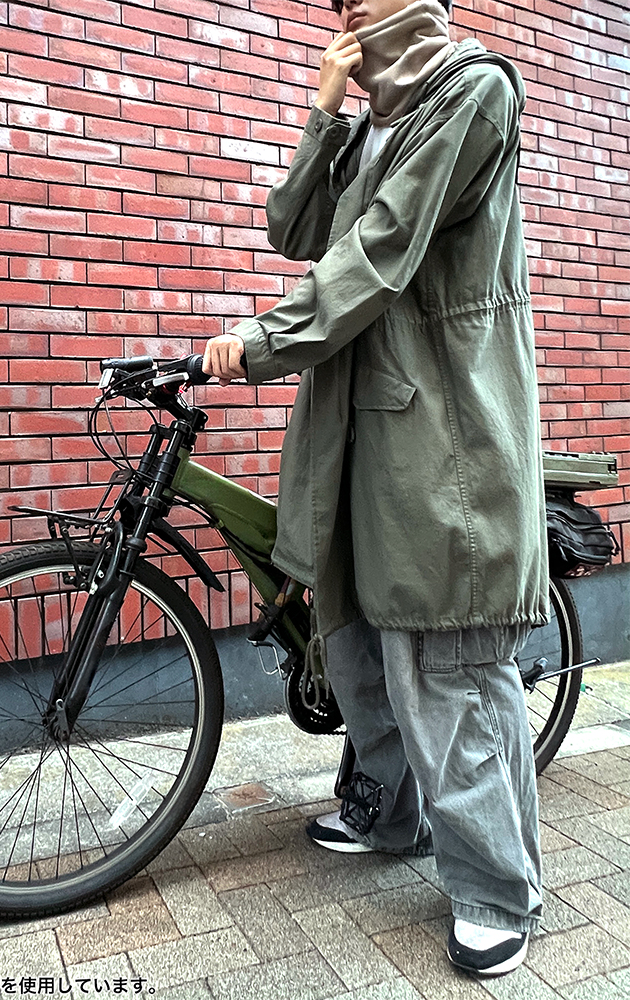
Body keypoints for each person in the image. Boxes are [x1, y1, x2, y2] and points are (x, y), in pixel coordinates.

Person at [202, 0, 548, 978]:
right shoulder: (368, 126)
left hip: (442, 433)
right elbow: (295, 229)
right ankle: (392, 816)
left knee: (446, 670)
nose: (344, 5)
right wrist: (324, 112)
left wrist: (261, 340)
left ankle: (497, 889)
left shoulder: (472, 92)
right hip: (356, 435)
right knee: (354, 653)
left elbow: (381, 251)